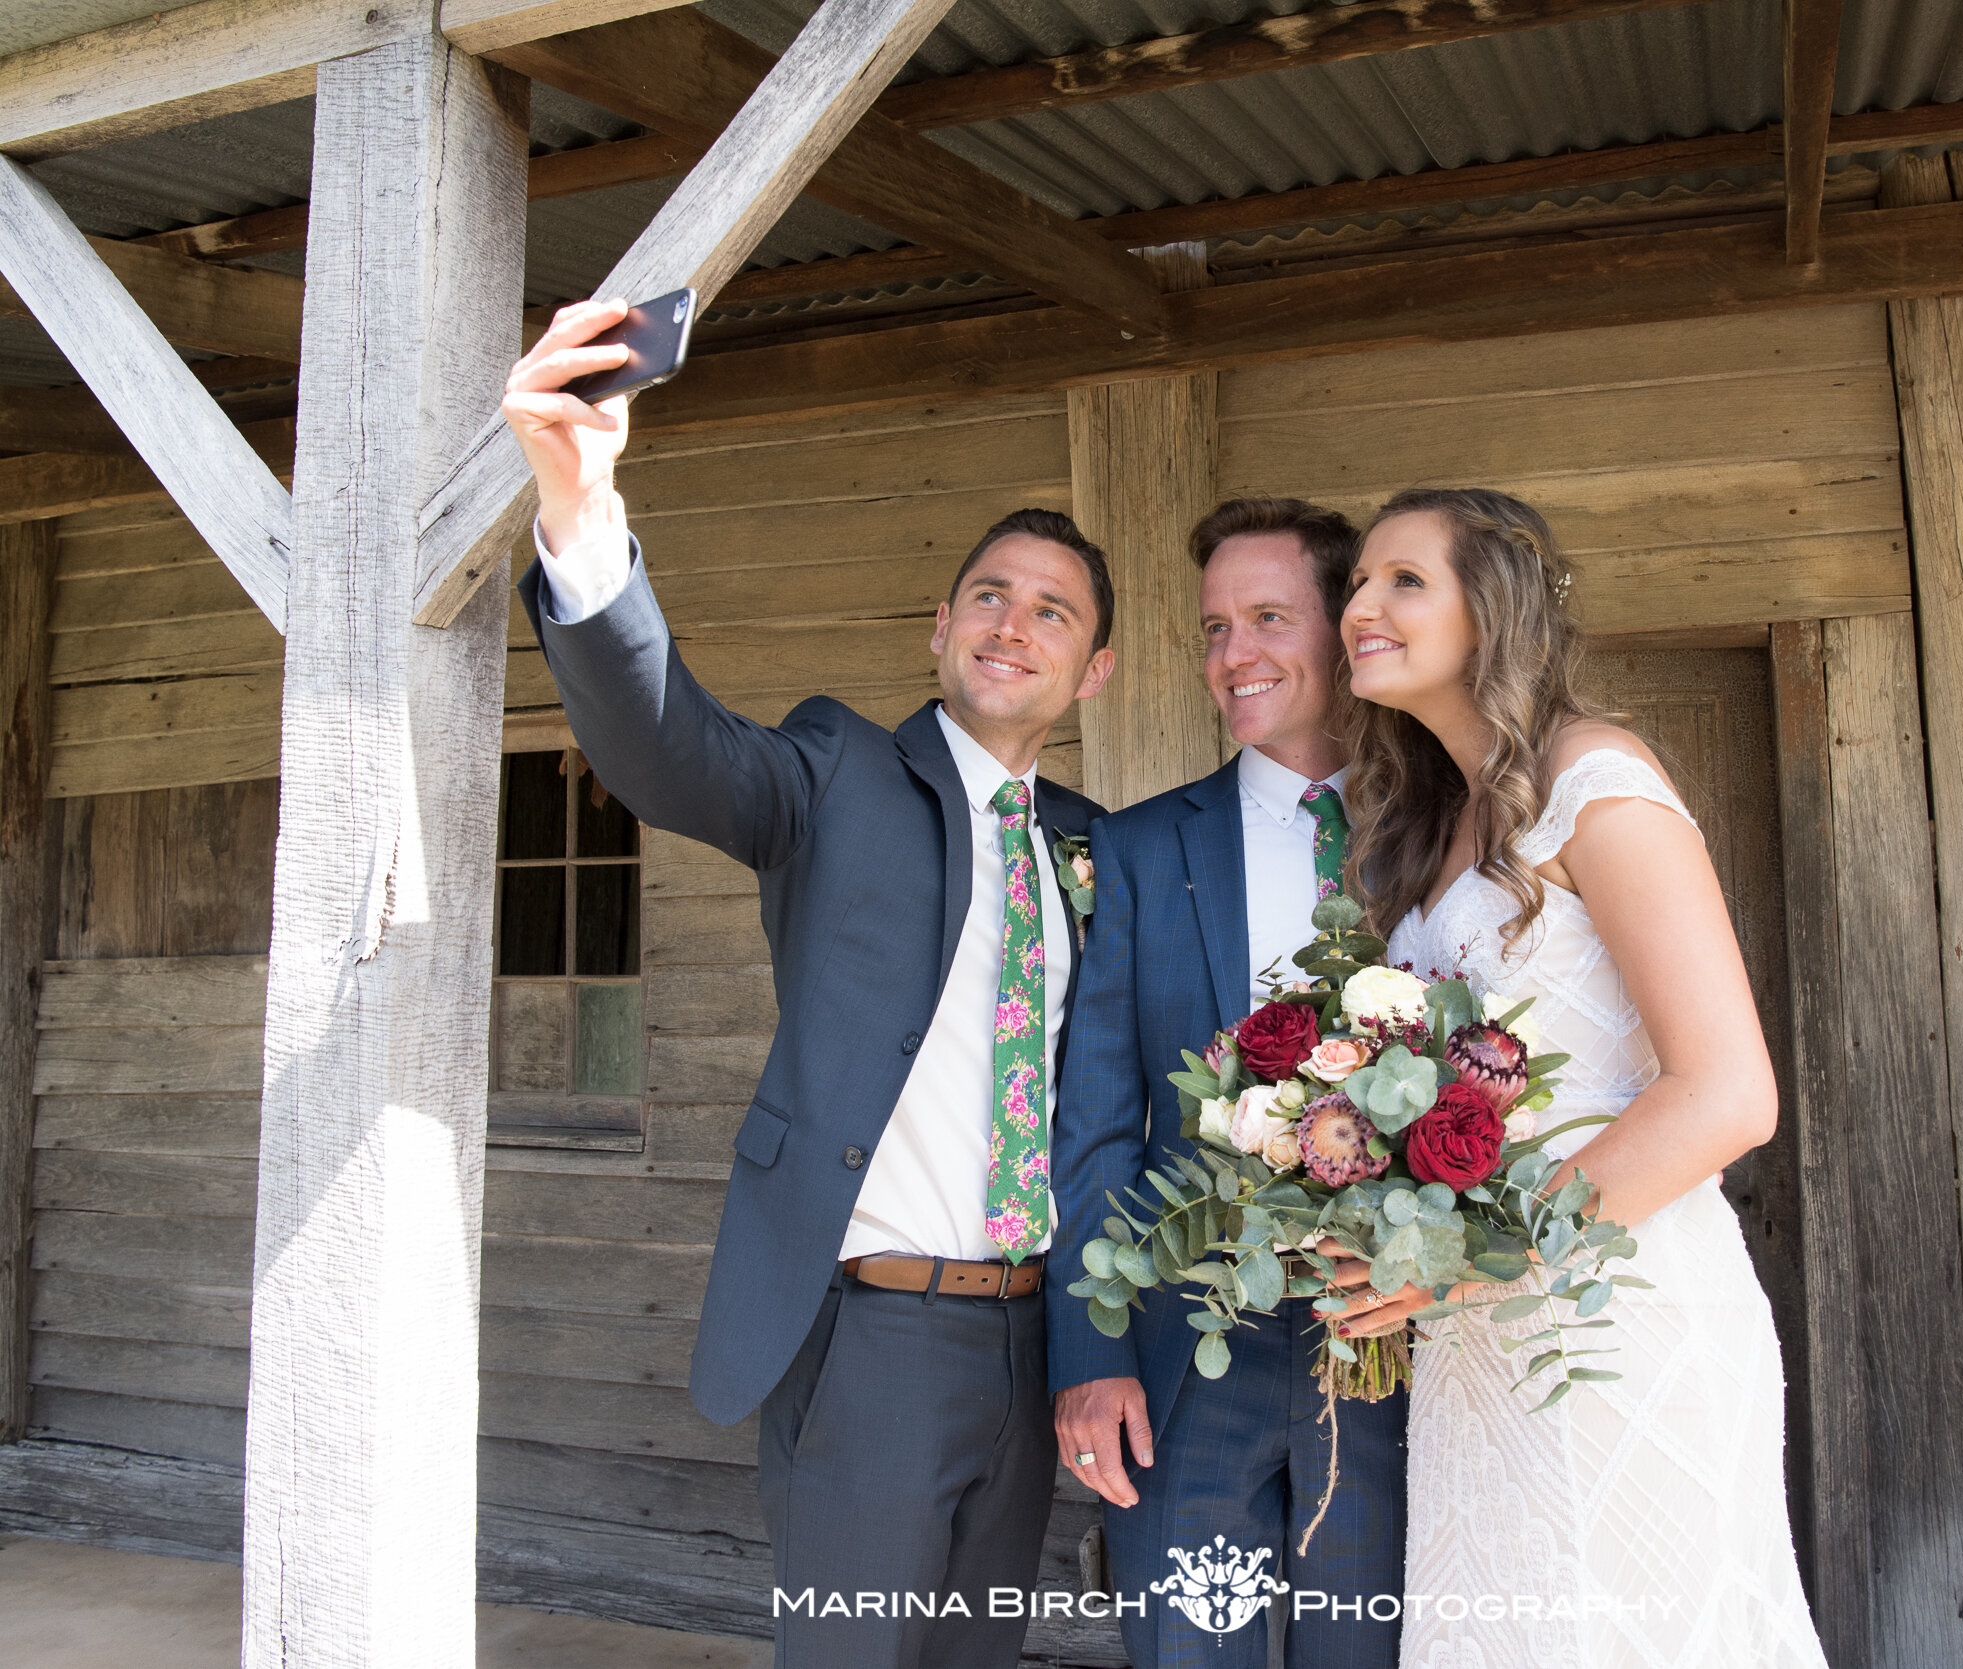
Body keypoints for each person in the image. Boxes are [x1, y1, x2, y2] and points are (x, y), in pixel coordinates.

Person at [500, 299, 1114, 1669]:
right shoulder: (837, 775)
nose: (1015, 626)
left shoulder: (1091, 846)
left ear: (1094, 668)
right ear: (938, 626)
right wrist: (582, 508)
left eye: (1053, 612)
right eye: (991, 598)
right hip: (875, 1343)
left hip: (1039, 1343)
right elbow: (670, 747)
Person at [1322, 488, 1828, 1667]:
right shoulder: (1426, 826)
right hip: (1474, 1347)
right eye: (1355, 583)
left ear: (1491, 607)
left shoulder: (1593, 773)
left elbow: (1727, 1093)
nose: (1360, 607)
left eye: (1404, 580)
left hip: (1618, 1315)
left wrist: (1471, 1257)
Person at [1047, 497, 1408, 1667]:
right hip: (1186, 1346)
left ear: (1345, 628)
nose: (1232, 655)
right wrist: (1093, 1352)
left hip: (1396, 1347)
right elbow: (1096, 1118)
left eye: (1265, 617)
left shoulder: (1437, 831)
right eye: (1212, 628)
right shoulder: (1145, 850)